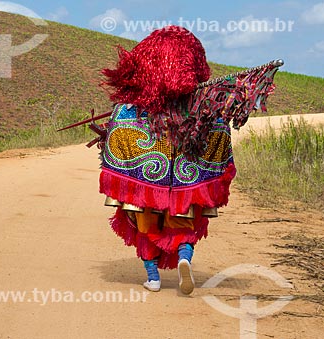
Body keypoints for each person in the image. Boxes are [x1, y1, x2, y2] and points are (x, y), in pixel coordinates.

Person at [98, 26, 236, 295]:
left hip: (144, 184)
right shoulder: (203, 110)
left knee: (143, 223)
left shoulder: (128, 110)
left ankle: (153, 278)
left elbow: (114, 146)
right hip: (186, 184)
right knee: (184, 220)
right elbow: (220, 141)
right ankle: (184, 257)